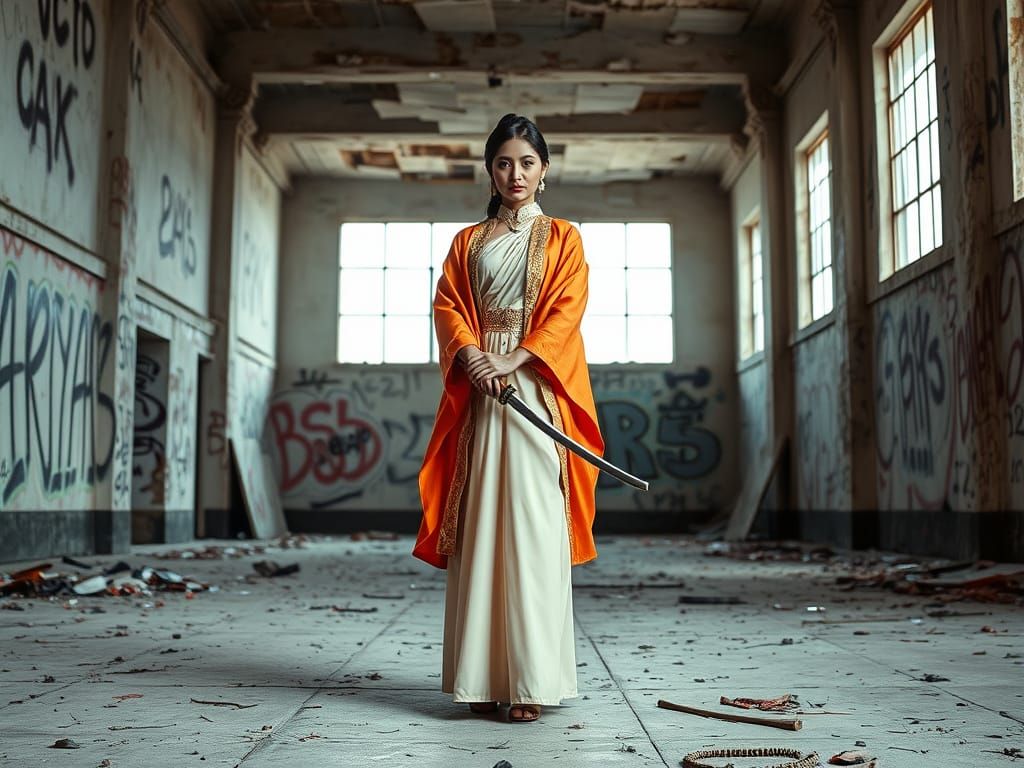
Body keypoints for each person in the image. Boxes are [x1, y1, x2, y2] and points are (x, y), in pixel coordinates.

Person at [414, 113, 604, 723]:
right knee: (479, 527)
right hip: (480, 393)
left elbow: (566, 310)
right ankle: (481, 680)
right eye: (504, 162)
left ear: (544, 172)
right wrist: (473, 357)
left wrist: (513, 359)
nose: (515, 173)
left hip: (533, 390)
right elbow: (448, 304)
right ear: (490, 172)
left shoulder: (564, 239)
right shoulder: (466, 242)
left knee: (532, 525)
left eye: (527, 162)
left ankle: (528, 681)